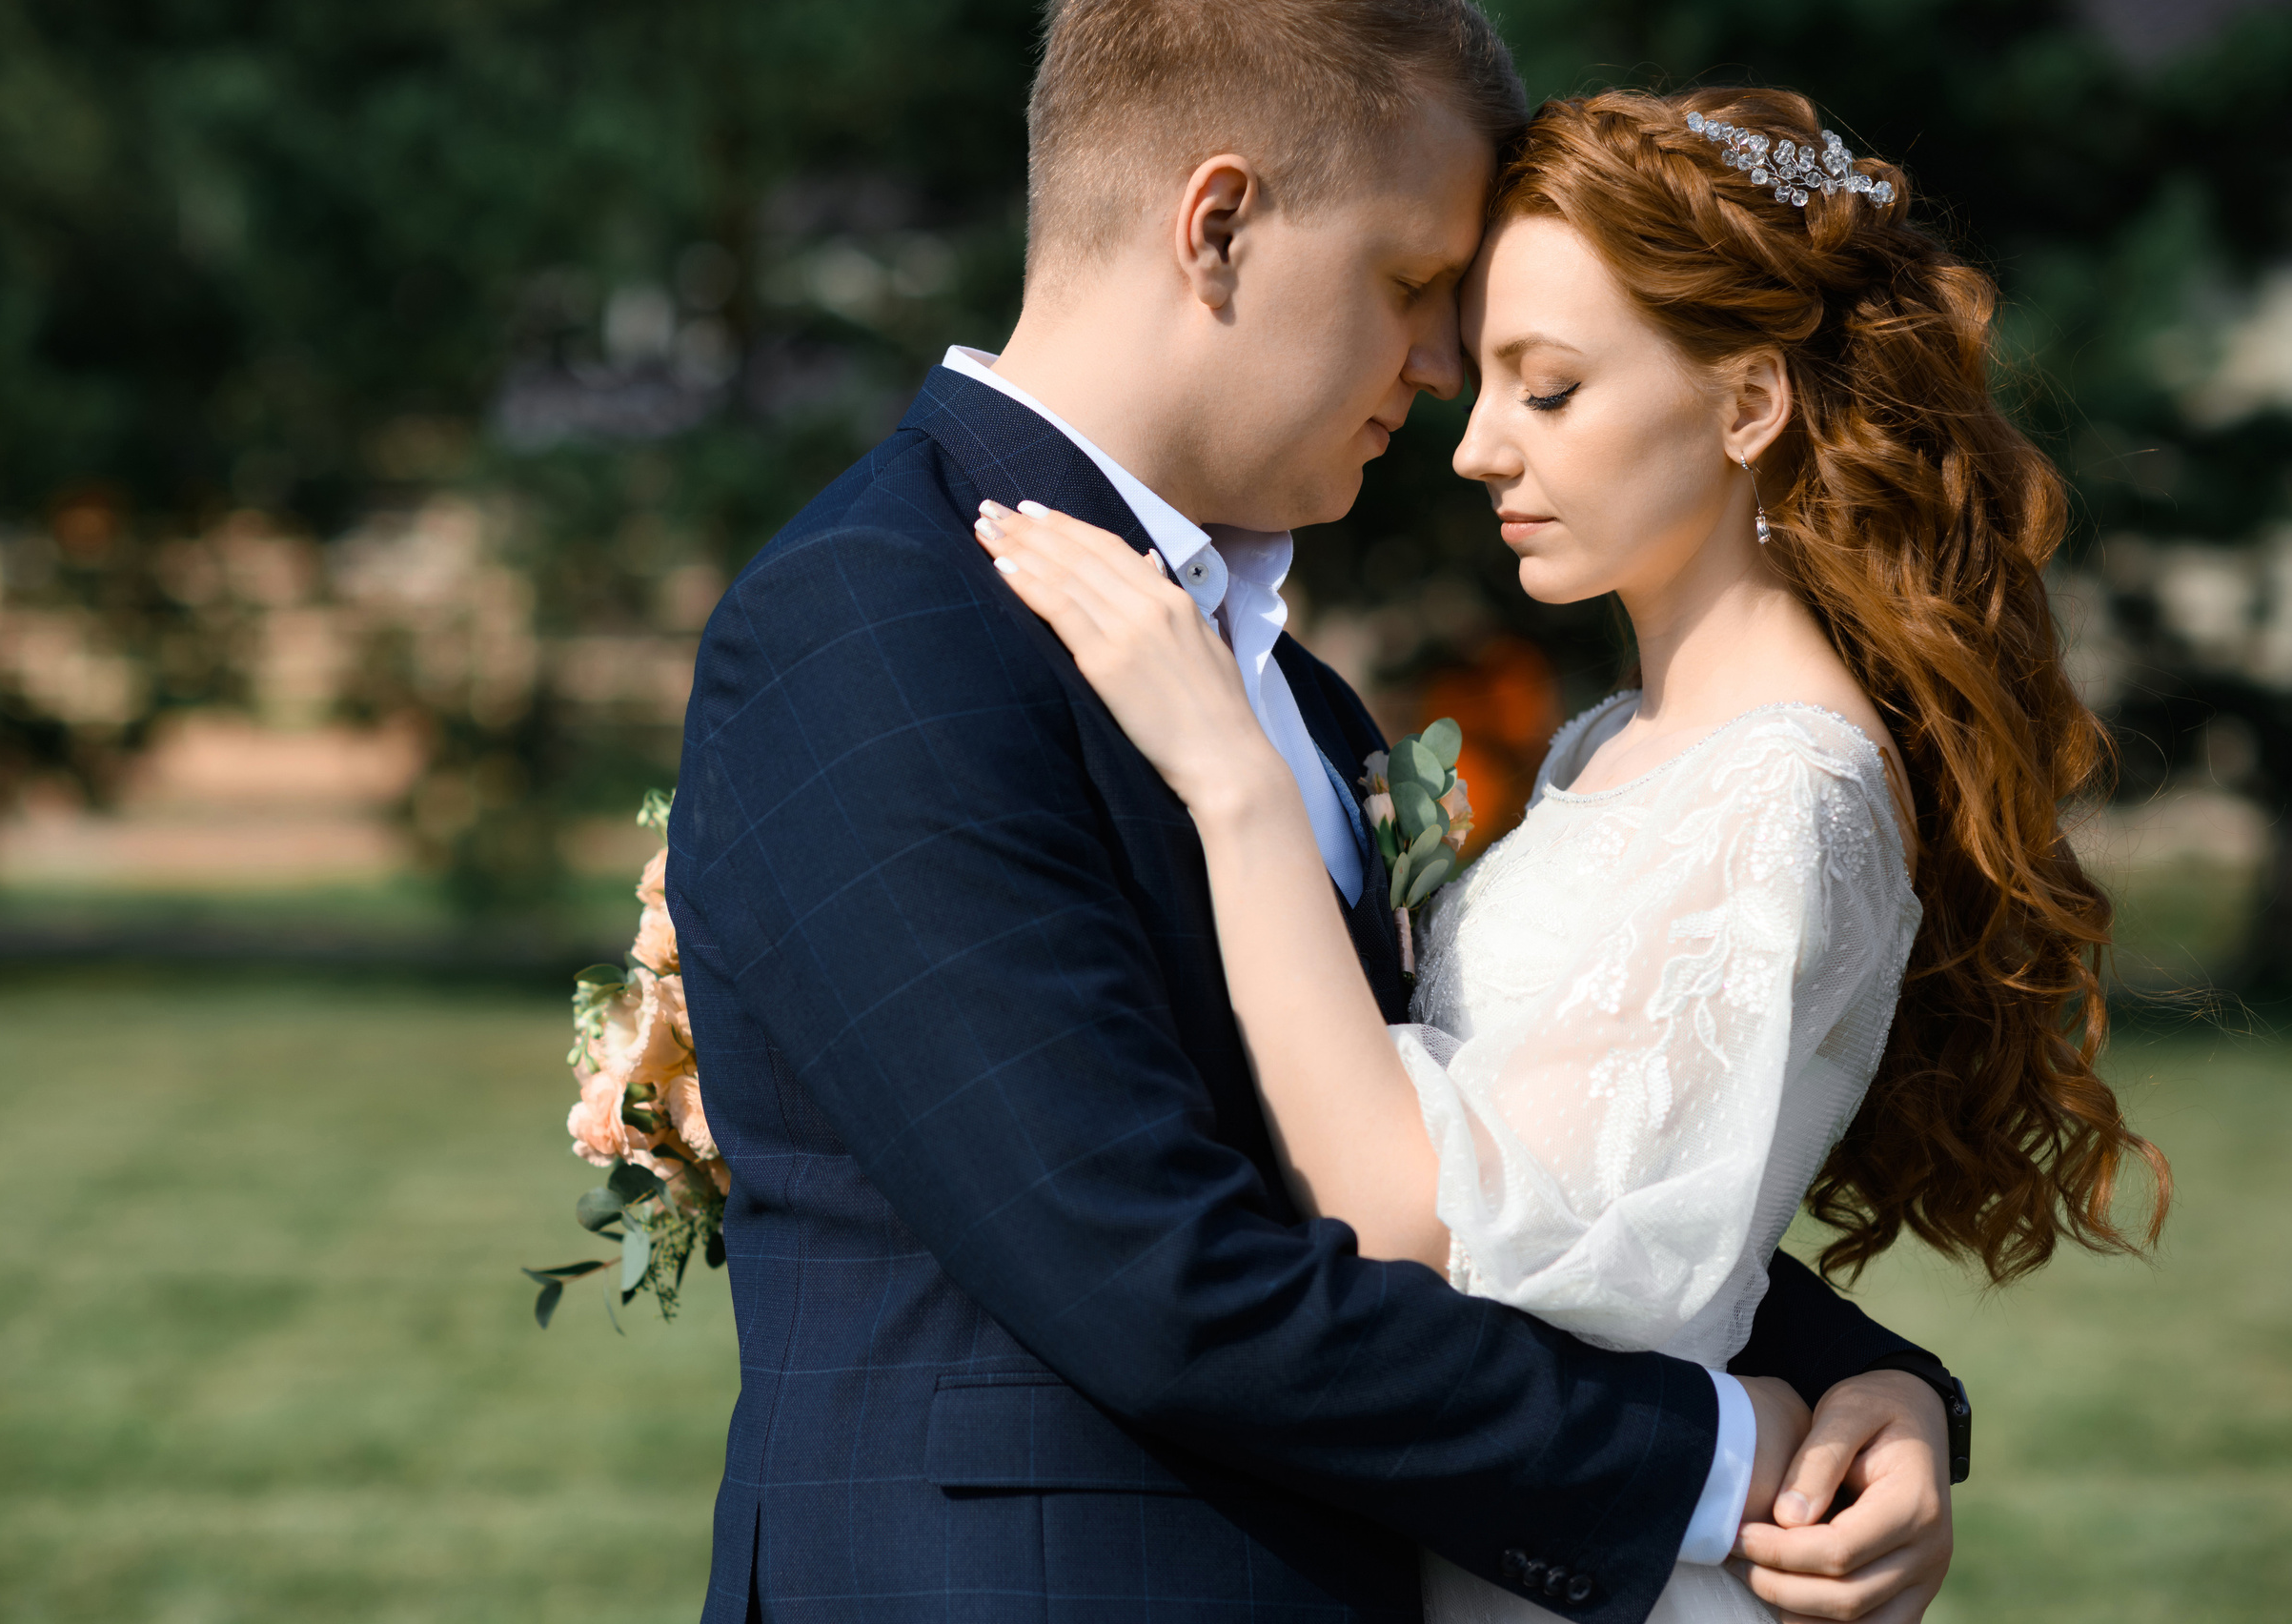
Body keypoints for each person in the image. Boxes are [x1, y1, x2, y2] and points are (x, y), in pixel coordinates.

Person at [667, 6, 1969, 1620]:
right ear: (1216, 229)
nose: (1440, 376)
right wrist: (1712, 1458)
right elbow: (1154, 1277)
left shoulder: (1296, 696)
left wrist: (1872, 1390)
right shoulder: (882, 622)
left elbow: (1524, 1153)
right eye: (1414, 285)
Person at [969, 82, 2171, 1623]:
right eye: (1484, 383)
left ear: (1747, 406)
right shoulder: (1623, 743)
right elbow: (1580, 1186)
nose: (1474, 448)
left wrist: (1237, 788)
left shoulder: (1784, 789)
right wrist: (1880, 1378)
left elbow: (1423, 1224)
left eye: (1550, 390)